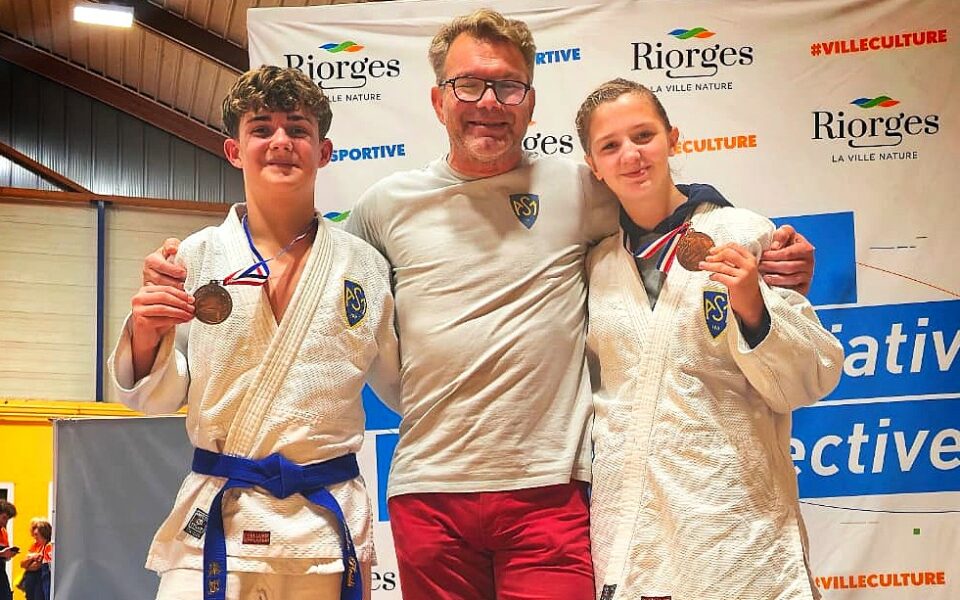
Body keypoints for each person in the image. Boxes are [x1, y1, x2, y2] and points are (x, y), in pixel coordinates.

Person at [143, 9, 816, 599]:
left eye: (507, 85)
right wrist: (198, 273)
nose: (488, 101)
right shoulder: (383, 208)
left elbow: (655, 195)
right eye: (469, 84)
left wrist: (748, 235)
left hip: (551, 489)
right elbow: (311, 288)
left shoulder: (579, 189)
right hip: (428, 489)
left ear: (529, 100)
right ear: (439, 100)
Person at [109, 65, 399, 600]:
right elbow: (158, 395)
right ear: (234, 150)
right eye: (261, 129)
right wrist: (148, 331)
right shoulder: (193, 257)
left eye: (298, 129)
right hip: (220, 512)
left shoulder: (365, 266)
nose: (281, 142)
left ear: (324, 150)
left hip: (321, 524)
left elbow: (407, 386)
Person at [576, 78, 843, 600]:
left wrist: (751, 304)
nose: (631, 155)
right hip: (632, 535)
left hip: (735, 526)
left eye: (644, 135)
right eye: (611, 145)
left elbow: (810, 377)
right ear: (593, 165)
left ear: (673, 138)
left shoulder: (744, 233)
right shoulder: (597, 263)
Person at [18, 518, 52, 600]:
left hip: (39, 582)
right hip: (31, 583)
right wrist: (32, 557)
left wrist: (29, 564)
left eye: (37, 534)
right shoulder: (35, 545)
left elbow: (37, 566)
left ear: (44, 533)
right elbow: (22, 564)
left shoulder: (49, 546)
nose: (34, 537)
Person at [0, 500, 17, 600]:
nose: (5, 522)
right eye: (4, 518)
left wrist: (8, 555)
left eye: (7, 519)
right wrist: (2, 553)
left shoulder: (4, 532)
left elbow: (4, 555)